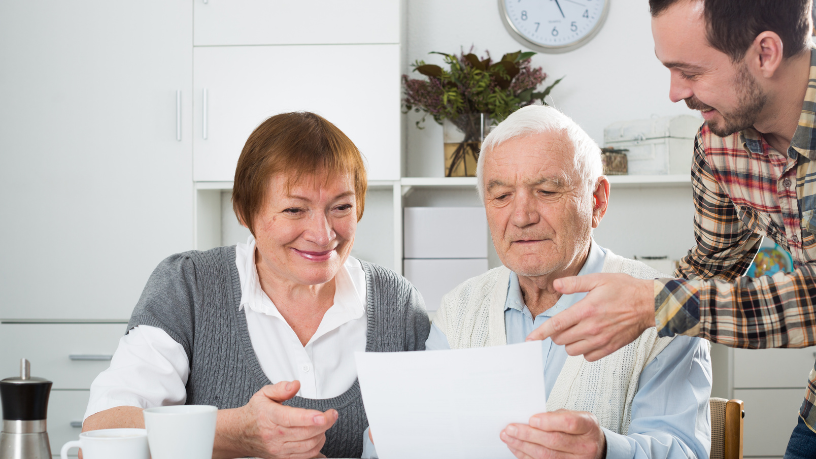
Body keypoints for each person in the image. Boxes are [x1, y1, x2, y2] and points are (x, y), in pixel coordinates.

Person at [527, 0, 816, 454]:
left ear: (765, 54)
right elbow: (713, 265)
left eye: (691, 72)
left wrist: (655, 303)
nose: (675, 92)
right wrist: (625, 310)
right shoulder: (719, 144)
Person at [81, 112, 430, 458]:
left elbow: (435, 437)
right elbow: (103, 431)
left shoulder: (397, 304)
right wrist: (238, 433)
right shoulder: (190, 286)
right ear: (245, 212)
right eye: (295, 210)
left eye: (341, 207)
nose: (323, 235)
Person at [394, 105, 710, 459]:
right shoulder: (459, 308)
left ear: (597, 201)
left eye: (546, 191)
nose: (522, 216)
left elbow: (684, 452)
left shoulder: (663, 304)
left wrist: (606, 451)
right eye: (501, 196)